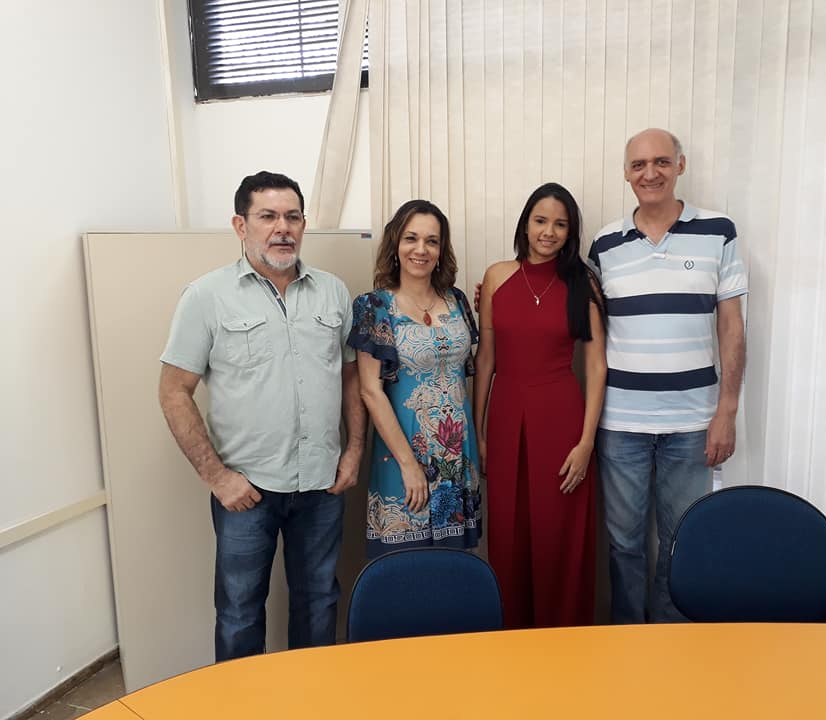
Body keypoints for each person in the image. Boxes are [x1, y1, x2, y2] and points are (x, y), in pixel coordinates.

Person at [158, 171, 366, 660]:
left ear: (304, 224)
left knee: (318, 603)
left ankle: (310, 697)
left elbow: (350, 377)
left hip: (321, 485)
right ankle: (241, 700)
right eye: (268, 216)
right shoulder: (206, 296)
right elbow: (173, 392)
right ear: (241, 225)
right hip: (246, 491)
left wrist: (355, 450)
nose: (282, 228)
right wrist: (217, 477)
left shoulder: (333, 292)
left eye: (292, 217)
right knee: (239, 613)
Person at [586, 129, 748, 623]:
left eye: (660, 161)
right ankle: (626, 638)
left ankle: (672, 642)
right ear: (626, 173)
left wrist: (727, 411)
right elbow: (582, 323)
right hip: (621, 423)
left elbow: (732, 327)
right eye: (638, 164)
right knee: (623, 545)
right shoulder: (604, 245)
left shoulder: (718, 231)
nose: (649, 173)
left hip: (693, 422)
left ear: (680, 165)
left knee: (681, 542)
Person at [474, 183, 606, 629]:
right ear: (525, 224)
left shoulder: (582, 283)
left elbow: (596, 366)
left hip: (561, 417)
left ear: (571, 233)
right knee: (509, 534)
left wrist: (586, 443)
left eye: (560, 224)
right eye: (541, 220)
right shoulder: (497, 276)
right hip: (506, 413)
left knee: (557, 534)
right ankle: (512, 641)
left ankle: (565, 641)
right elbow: (486, 359)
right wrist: (479, 432)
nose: (549, 232)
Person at [349, 200, 482, 557]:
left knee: (454, 567)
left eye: (431, 241)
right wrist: (409, 465)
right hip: (402, 454)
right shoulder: (374, 307)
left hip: (457, 455)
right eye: (411, 238)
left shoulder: (457, 301)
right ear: (395, 243)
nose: (421, 249)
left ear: (441, 250)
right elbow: (370, 391)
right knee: (405, 567)